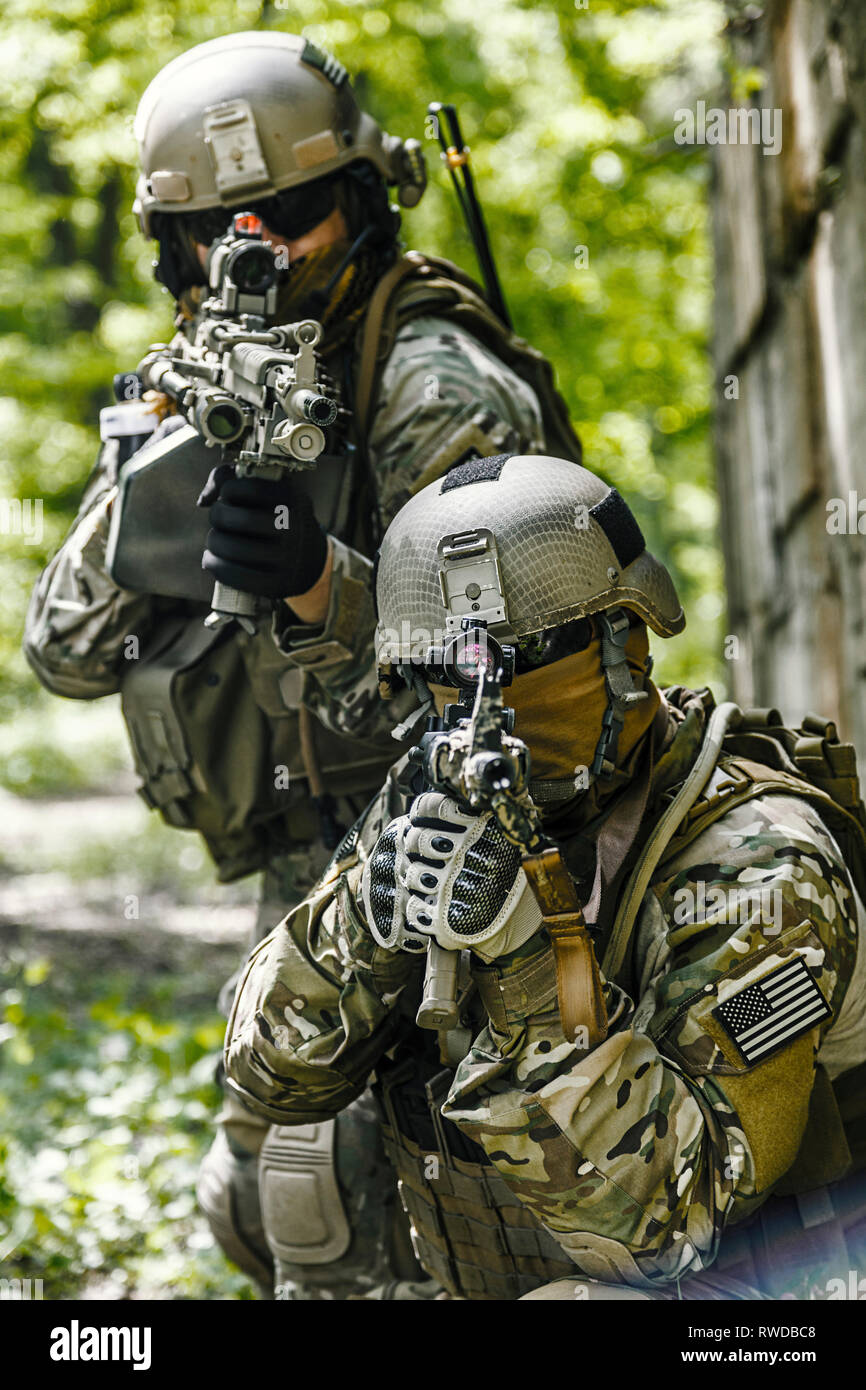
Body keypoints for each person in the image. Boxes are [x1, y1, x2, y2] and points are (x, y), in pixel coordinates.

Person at [23, 31, 582, 1299]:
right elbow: (63, 651)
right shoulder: (198, 382)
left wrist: (323, 581)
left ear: (363, 204)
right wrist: (162, 484)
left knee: (420, 1222)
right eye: (222, 231)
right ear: (173, 253)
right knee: (267, 1204)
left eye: (292, 216)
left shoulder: (433, 387)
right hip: (303, 874)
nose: (258, 255)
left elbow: (523, 708)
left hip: (470, 878)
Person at [224, 451, 866, 1301]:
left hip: (759, 1298)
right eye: (446, 671)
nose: (486, 697)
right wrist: (370, 921)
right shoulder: (442, 789)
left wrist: (527, 964)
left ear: (627, 641)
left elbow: (673, 1227)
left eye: (528, 657)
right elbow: (273, 1075)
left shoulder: (755, 861)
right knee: (300, 1170)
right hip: (505, 1273)